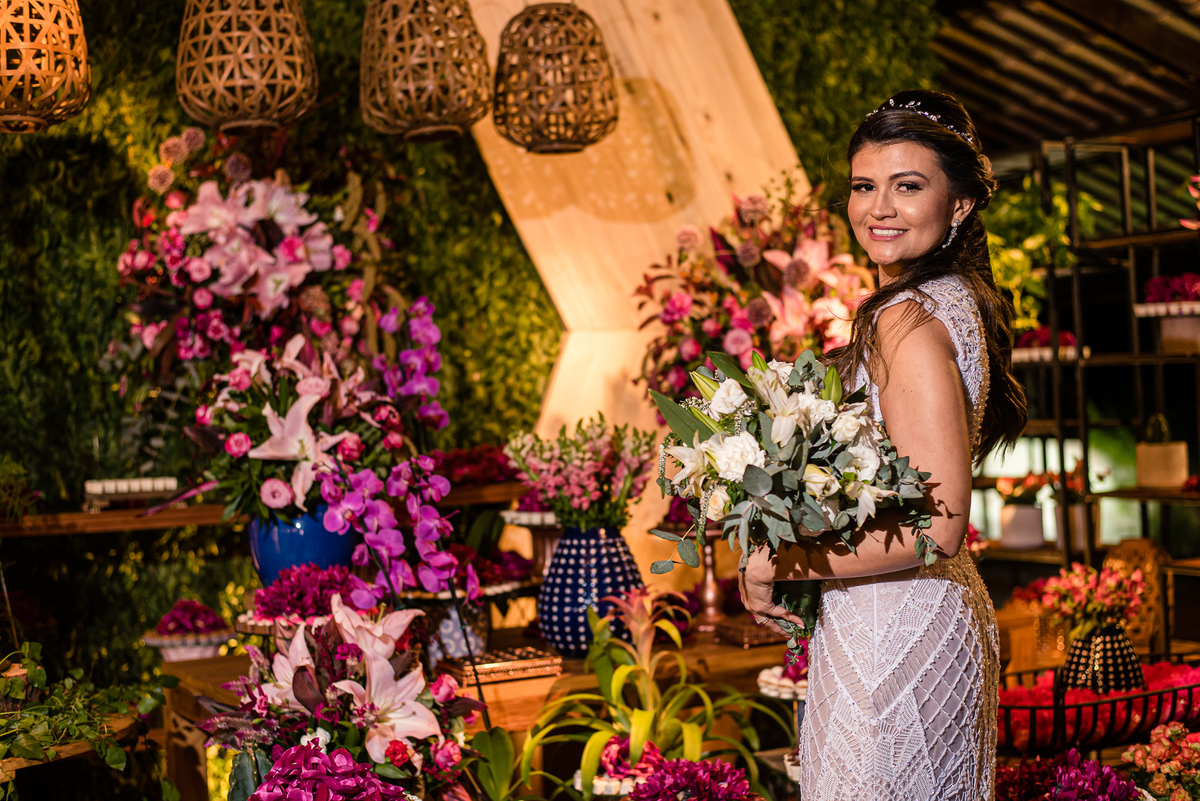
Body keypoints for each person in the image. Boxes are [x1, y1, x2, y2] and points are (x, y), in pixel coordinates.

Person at [737, 89, 1027, 801]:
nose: (879, 208)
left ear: (958, 204)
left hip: (894, 634)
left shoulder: (903, 319)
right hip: (918, 616)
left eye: (909, 185)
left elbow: (939, 523)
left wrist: (783, 555)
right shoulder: (955, 296)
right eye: (865, 186)